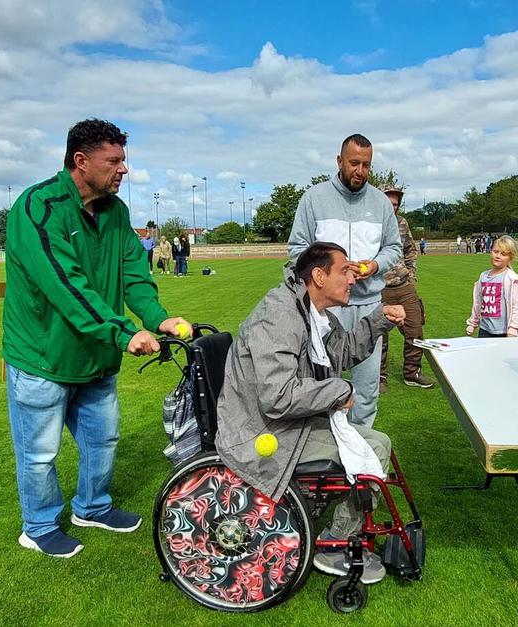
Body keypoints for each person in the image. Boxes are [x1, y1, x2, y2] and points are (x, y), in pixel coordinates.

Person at [3, 118, 191, 558]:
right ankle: (39, 525)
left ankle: (92, 506)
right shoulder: (37, 208)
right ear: (81, 161)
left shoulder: (116, 212)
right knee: (39, 454)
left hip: (95, 358)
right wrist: (125, 333)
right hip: (43, 357)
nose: (124, 169)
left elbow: (133, 274)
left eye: (124, 159)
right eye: (115, 161)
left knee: (102, 439)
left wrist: (158, 319)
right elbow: (67, 288)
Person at [216, 241, 406, 584]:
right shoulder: (280, 314)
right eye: (346, 271)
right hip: (263, 431)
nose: (354, 279)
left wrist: (379, 320)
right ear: (318, 276)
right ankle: (336, 547)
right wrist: (338, 391)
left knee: (377, 441)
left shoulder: (312, 313)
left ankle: (334, 523)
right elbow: (277, 396)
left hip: (285, 424)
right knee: (375, 447)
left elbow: (342, 352)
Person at [288, 133, 401, 428]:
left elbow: (394, 248)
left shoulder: (380, 203)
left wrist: (373, 266)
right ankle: (324, 449)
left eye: (366, 165)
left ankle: (360, 456)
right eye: (354, 163)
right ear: (339, 161)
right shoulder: (313, 199)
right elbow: (297, 249)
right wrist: (328, 273)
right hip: (325, 308)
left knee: (366, 390)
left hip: (369, 306)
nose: (360, 171)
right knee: (321, 383)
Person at [378, 186, 435, 392]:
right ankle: (379, 377)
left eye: (395, 204)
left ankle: (412, 373)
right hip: (379, 289)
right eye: (388, 203)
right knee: (379, 336)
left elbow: (410, 249)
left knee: (415, 330)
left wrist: (411, 275)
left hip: (404, 286)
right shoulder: (370, 224)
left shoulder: (402, 223)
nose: (392, 207)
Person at [465, 235, 518, 338]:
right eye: (495, 252)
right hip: (485, 330)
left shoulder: (511, 279)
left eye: (503, 254)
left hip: (505, 332)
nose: (498, 256)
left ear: (510, 257)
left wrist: (513, 329)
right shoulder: (483, 276)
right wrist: (472, 323)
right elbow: (478, 302)